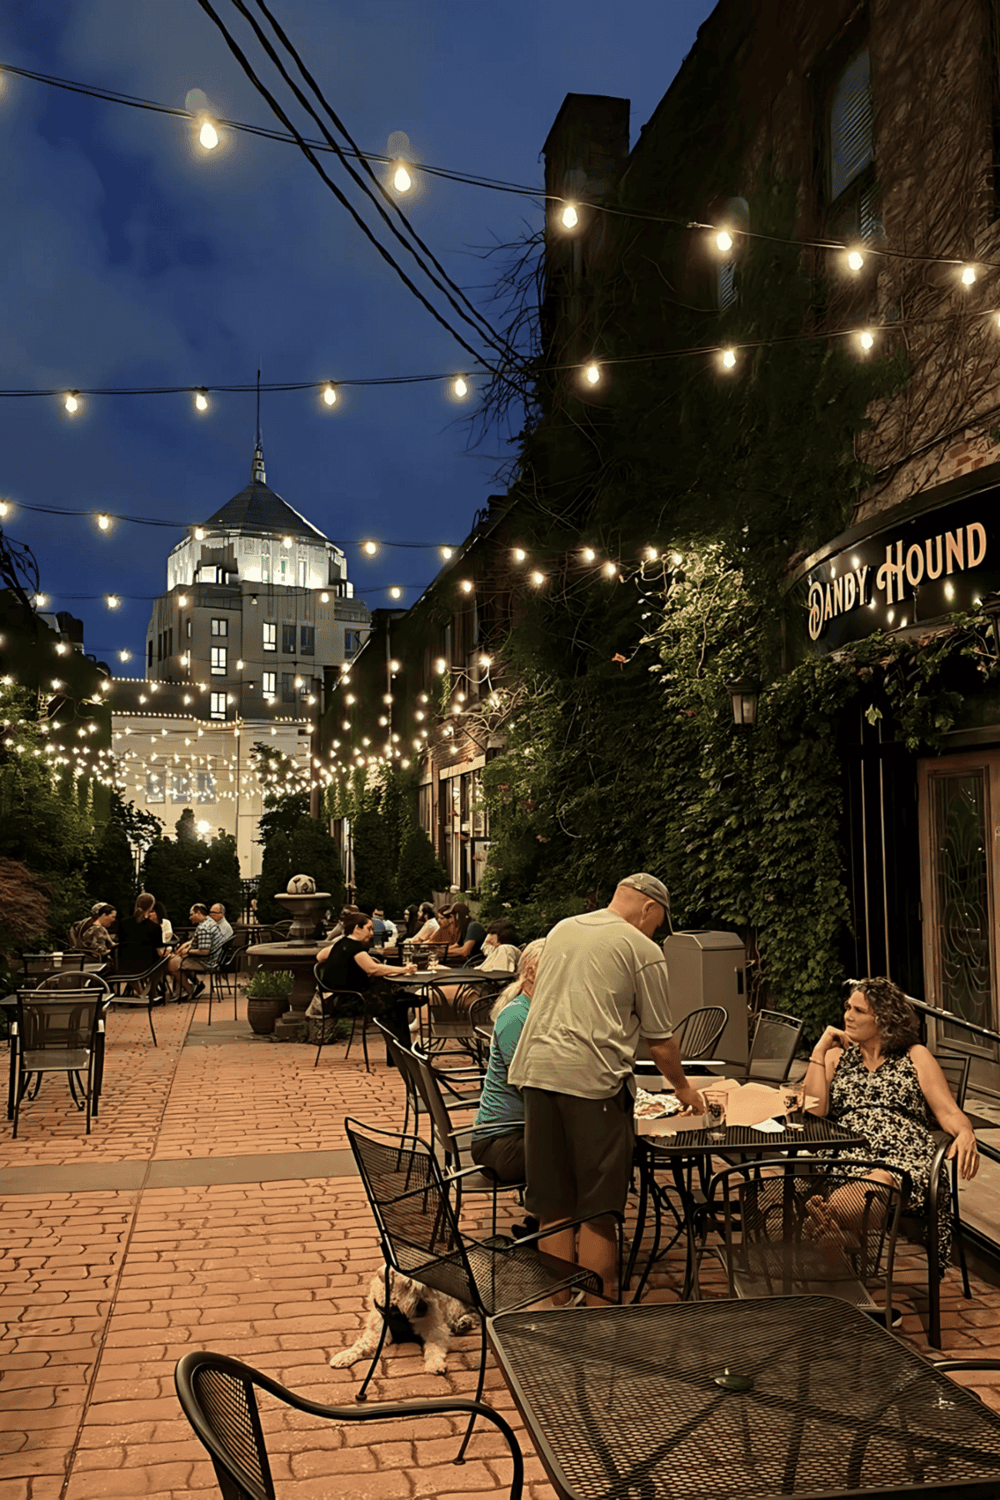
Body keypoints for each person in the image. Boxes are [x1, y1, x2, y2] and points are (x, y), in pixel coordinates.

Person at [509, 873, 705, 1303]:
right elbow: (660, 1041)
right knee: (599, 1210)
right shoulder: (642, 949)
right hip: (593, 1084)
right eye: (658, 922)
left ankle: (559, 1310)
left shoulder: (563, 929)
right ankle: (598, 1313)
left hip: (536, 1073)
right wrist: (684, 1090)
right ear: (650, 908)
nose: (656, 931)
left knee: (553, 1204)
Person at [805, 976, 979, 1274]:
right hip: (849, 1152)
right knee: (863, 1183)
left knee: (882, 1179)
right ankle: (839, 1236)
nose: (848, 1015)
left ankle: (824, 1219)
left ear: (884, 1017)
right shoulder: (837, 1056)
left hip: (903, 1153)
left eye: (859, 1010)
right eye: (847, 1007)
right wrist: (819, 1052)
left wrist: (965, 1132)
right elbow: (814, 1110)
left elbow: (948, 1111)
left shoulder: (915, 1055)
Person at [470, 938, 546, 1184]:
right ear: (533, 973)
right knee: (581, 1151)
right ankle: (555, 1220)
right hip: (499, 1144)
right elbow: (529, 1084)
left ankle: (560, 1219)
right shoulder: (516, 1017)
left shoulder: (536, 1011)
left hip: (522, 1134)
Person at [316, 912, 419, 1060]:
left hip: (336, 998)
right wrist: (404, 970)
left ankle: (400, 1054)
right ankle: (402, 1055)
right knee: (396, 1006)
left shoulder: (342, 943)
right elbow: (374, 969)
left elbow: (320, 956)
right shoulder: (356, 948)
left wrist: (348, 957)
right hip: (349, 1001)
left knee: (397, 1002)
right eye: (369, 929)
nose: (372, 933)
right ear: (357, 928)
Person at [169, 904, 224, 1000]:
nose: (189, 918)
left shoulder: (203, 928)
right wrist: (187, 945)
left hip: (207, 962)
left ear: (198, 912)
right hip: (214, 959)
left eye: (191, 914)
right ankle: (189, 989)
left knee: (172, 964)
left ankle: (190, 990)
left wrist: (188, 951)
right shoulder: (209, 922)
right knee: (176, 961)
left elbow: (204, 951)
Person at [115, 893, 163, 979]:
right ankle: (151, 990)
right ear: (151, 907)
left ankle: (141, 990)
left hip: (124, 963)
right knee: (161, 964)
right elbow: (158, 947)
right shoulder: (154, 926)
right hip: (148, 964)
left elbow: (120, 940)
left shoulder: (123, 923)